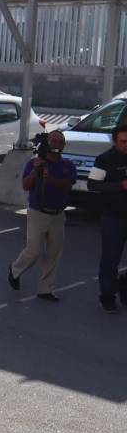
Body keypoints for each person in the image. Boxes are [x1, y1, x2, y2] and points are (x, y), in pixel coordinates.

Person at [7, 130, 76, 301]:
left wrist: (50, 178)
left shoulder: (68, 165)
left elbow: (67, 184)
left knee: (54, 253)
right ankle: (15, 270)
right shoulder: (34, 163)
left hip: (58, 214)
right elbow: (26, 186)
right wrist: (35, 172)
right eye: (54, 140)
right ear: (48, 142)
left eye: (60, 141)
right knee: (34, 251)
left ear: (64, 145)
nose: (57, 144)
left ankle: (45, 289)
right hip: (38, 212)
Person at [87, 123, 127, 313]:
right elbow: (93, 185)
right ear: (114, 140)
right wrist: (120, 186)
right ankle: (107, 296)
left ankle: (123, 288)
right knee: (111, 259)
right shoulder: (104, 160)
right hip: (113, 218)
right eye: (123, 141)